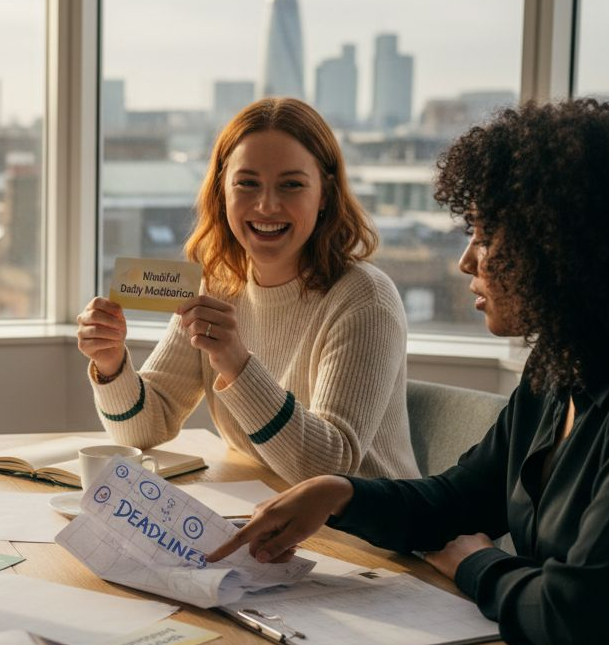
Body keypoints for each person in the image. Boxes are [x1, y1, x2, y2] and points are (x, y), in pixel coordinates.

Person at [208, 99, 609, 645]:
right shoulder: (558, 367)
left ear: (564, 249)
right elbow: (457, 499)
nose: (467, 259)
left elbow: (581, 618)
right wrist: (339, 494)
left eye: (487, 237)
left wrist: (477, 564)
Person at [77, 98, 417, 484]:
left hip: (366, 534)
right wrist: (111, 365)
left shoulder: (364, 299)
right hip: (264, 510)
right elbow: (146, 428)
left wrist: (236, 363)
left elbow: (328, 474)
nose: (267, 205)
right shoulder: (220, 284)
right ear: (222, 192)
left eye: (291, 185)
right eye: (247, 183)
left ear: (325, 194)